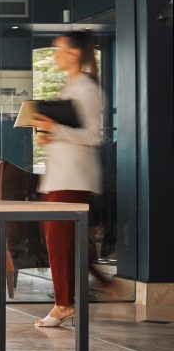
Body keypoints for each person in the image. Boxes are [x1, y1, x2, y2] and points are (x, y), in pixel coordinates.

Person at [30, 30, 113, 327]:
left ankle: (64, 304)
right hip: (61, 176)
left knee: (59, 240)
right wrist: (49, 136)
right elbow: (67, 131)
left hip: (73, 178)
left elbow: (93, 135)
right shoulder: (72, 87)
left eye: (59, 49)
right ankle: (101, 282)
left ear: (75, 53)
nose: (55, 55)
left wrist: (56, 131)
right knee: (61, 239)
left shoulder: (86, 89)